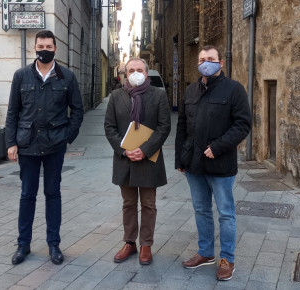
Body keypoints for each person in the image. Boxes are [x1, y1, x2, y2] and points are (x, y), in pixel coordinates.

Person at [5, 30, 83, 266]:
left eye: (49, 47)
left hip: (54, 145)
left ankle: (54, 244)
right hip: (27, 144)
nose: (44, 50)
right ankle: (23, 245)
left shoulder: (67, 77)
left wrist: (67, 136)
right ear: (34, 47)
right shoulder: (21, 76)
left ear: (55, 49)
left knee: (53, 194)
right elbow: (12, 112)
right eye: (41, 46)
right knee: (27, 195)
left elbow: (77, 111)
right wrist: (11, 142)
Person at [175, 45, 251, 281]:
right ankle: (206, 252)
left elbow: (243, 124)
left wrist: (218, 147)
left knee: (226, 213)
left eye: (210, 58)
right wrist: (180, 158)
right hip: (194, 166)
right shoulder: (190, 91)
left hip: (221, 165)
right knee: (201, 210)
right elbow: (182, 127)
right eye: (201, 59)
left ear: (221, 63)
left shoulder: (234, 89)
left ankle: (227, 258)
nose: (205, 62)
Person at [104, 58, 171, 265]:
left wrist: (145, 149)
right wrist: (125, 151)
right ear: (125, 73)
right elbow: (109, 127)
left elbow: (164, 126)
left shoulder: (158, 95)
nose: (135, 73)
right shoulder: (116, 96)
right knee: (129, 204)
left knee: (149, 205)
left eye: (139, 69)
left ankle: (146, 245)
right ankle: (130, 243)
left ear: (146, 72)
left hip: (149, 159)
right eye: (131, 70)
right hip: (125, 160)